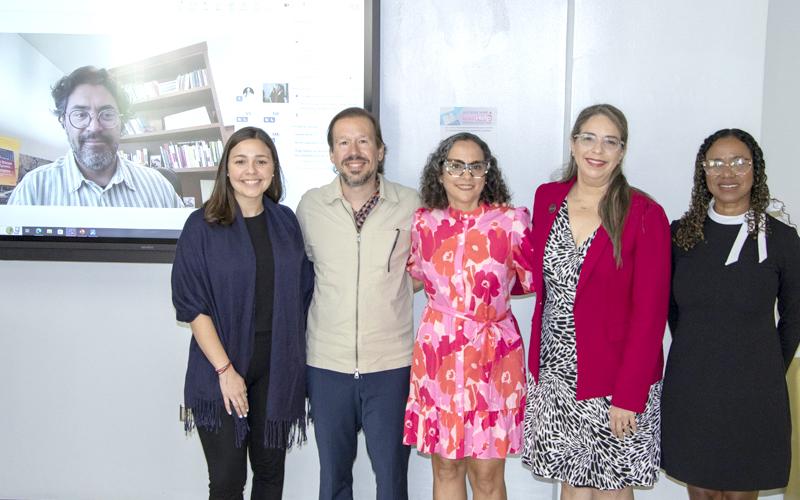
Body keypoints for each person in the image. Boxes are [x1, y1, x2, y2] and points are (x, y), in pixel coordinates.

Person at [521, 104, 670, 496]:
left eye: (610, 141)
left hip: (616, 377)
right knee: (571, 488)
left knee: (612, 489)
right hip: (555, 374)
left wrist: (629, 395)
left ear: (621, 152)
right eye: (588, 137)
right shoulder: (547, 198)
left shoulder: (644, 213)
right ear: (573, 144)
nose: (597, 149)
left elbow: (651, 314)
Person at [171, 126, 313, 499]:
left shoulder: (285, 222)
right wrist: (225, 371)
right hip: (219, 368)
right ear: (227, 169)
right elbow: (193, 306)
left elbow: (303, 290)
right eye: (241, 161)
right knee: (227, 481)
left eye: (261, 161)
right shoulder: (200, 226)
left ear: (273, 170)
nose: (251, 170)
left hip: (276, 367)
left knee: (269, 475)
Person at [661, 129, 800, 499]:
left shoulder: (782, 239)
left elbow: (793, 317)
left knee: (740, 494)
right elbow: (673, 310)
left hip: (754, 391)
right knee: (702, 491)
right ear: (703, 173)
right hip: (693, 386)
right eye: (716, 163)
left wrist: (766, 365)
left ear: (756, 170)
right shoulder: (679, 236)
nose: (728, 172)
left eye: (740, 162)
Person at [296, 107, 420, 500]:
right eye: (343, 142)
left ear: (381, 150)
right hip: (326, 364)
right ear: (331, 154)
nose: (354, 151)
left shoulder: (411, 205)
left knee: (392, 480)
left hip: (391, 365)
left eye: (364, 140)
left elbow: (424, 271)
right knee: (333, 479)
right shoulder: (310, 208)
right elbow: (301, 276)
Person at [402, 132, 534, 500]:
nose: (466, 174)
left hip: (494, 357)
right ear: (440, 172)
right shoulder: (423, 223)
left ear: (487, 173)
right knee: (445, 465)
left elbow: (528, 281)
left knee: (487, 472)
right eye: (455, 165)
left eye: (476, 166)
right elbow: (414, 277)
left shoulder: (512, 222)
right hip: (439, 356)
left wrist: (483, 307)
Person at [8, 66, 183, 207]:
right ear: (63, 122)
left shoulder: (159, 188)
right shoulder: (33, 190)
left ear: (122, 122)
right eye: (80, 114)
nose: (94, 127)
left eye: (106, 114)